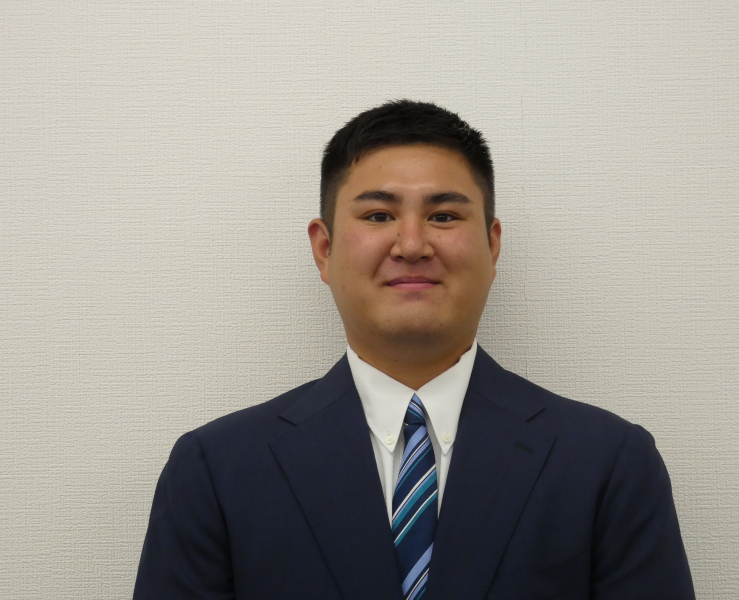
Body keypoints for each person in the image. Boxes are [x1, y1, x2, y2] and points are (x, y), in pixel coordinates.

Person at [133, 100, 696, 599]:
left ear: (492, 245)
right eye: (378, 215)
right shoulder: (217, 470)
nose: (411, 244)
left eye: (443, 216)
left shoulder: (608, 464)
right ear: (324, 249)